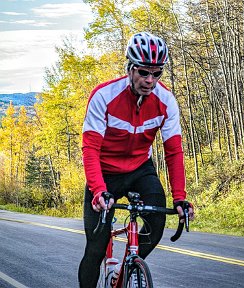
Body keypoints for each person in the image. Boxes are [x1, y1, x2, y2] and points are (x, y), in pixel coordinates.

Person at [78, 31, 194, 287]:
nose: (150, 80)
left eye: (157, 74)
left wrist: (180, 197)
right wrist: (98, 191)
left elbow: (174, 151)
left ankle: (128, 268)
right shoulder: (104, 97)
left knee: (156, 224)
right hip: (105, 172)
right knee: (95, 249)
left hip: (140, 169)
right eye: (143, 72)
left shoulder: (166, 101)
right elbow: (90, 149)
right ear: (129, 69)